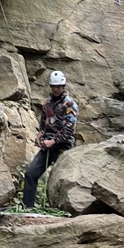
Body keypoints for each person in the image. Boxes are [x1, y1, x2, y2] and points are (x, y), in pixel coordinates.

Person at [21, 71, 78, 209]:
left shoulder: (69, 104)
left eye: (58, 86)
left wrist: (53, 141)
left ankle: (62, 209)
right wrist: (40, 135)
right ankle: (27, 207)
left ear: (63, 86)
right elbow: (43, 124)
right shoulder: (47, 104)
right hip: (48, 145)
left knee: (59, 179)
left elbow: (69, 130)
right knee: (30, 174)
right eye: (53, 86)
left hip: (63, 146)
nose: (56, 89)